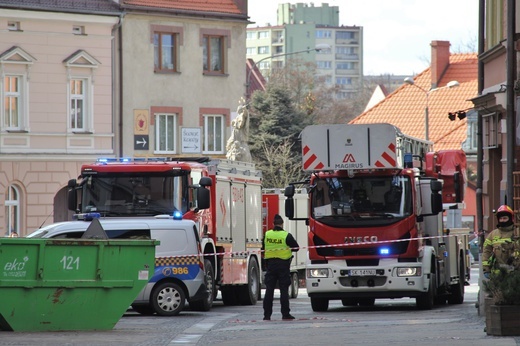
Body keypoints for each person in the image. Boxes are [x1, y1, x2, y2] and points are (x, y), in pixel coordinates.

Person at [262, 214, 299, 321]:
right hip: (283, 266)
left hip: (271, 265)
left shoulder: (267, 234)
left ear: (273, 224)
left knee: (269, 290)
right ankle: (285, 314)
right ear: (282, 224)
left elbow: (263, 247)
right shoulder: (286, 235)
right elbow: (296, 247)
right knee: (283, 290)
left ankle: (267, 315)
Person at [482, 205, 518, 278]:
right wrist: (486, 269)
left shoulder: (517, 233)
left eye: (505, 218)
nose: (502, 220)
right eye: (500, 218)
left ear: (511, 218)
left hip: (516, 274)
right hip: (497, 276)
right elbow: (486, 252)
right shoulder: (492, 234)